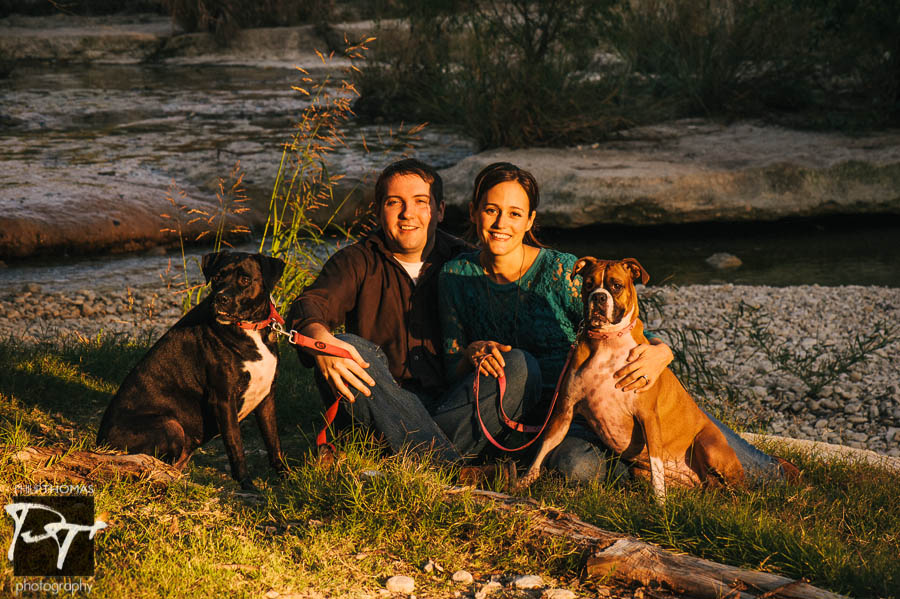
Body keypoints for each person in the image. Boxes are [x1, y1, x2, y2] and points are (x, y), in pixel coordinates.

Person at [439, 162, 790, 482]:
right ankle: (645, 473)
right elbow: (452, 364)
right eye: (491, 210)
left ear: (530, 220)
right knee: (574, 468)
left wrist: (662, 352)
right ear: (473, 212)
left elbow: (621, 327)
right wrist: (472, 351)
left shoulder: (559, 270)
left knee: (695, 426)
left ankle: (769, 470)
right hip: (517, 414)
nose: (502, 224)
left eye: (515, 213)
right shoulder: (454, 275)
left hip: (588, 409)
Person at [286, 158, 540, 469]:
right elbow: (310, 304)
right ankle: (449, 468)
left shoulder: (464, 260)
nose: (408, 214)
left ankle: (405, 461)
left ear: (440, 210)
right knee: (346, 347)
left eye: (421, 202)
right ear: (379, 211)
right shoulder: (356, 260)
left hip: (452, 404)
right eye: (395, 203)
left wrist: (479, 351)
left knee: (520, 366)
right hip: (377, 402)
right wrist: (322, 342)